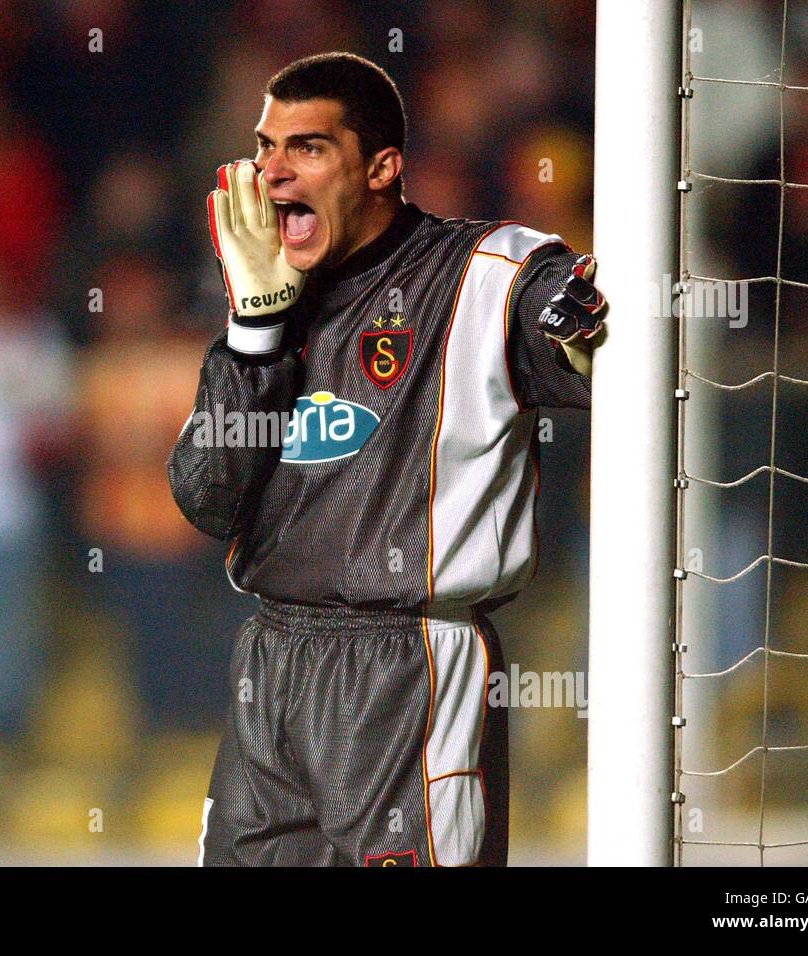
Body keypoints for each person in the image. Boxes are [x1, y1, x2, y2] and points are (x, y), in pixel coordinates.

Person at [168, 52, 606, 866]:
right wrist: (254, 333)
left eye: (307, 148)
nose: (272, 172)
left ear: (381, 167)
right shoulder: (267, 298)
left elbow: (577, 324)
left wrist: (582, 320)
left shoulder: (480, 274)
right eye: (266, 148)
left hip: (407, 665)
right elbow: (205, 500)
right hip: (272, 662)